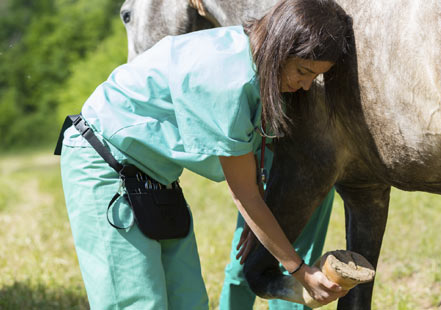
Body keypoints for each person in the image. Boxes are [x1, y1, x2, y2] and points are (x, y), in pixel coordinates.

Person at [56, 0, 350, 308]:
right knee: (137, 303)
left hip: (157, 176)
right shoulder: (228, 79)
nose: (305, 86)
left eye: (314, 76)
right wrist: (301, 272)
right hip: (104, 161)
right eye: (303, 71)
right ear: (280, 44)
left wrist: (261, 224)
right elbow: (245, 195)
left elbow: (251, 164)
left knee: (189, 302)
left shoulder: (252, 57)